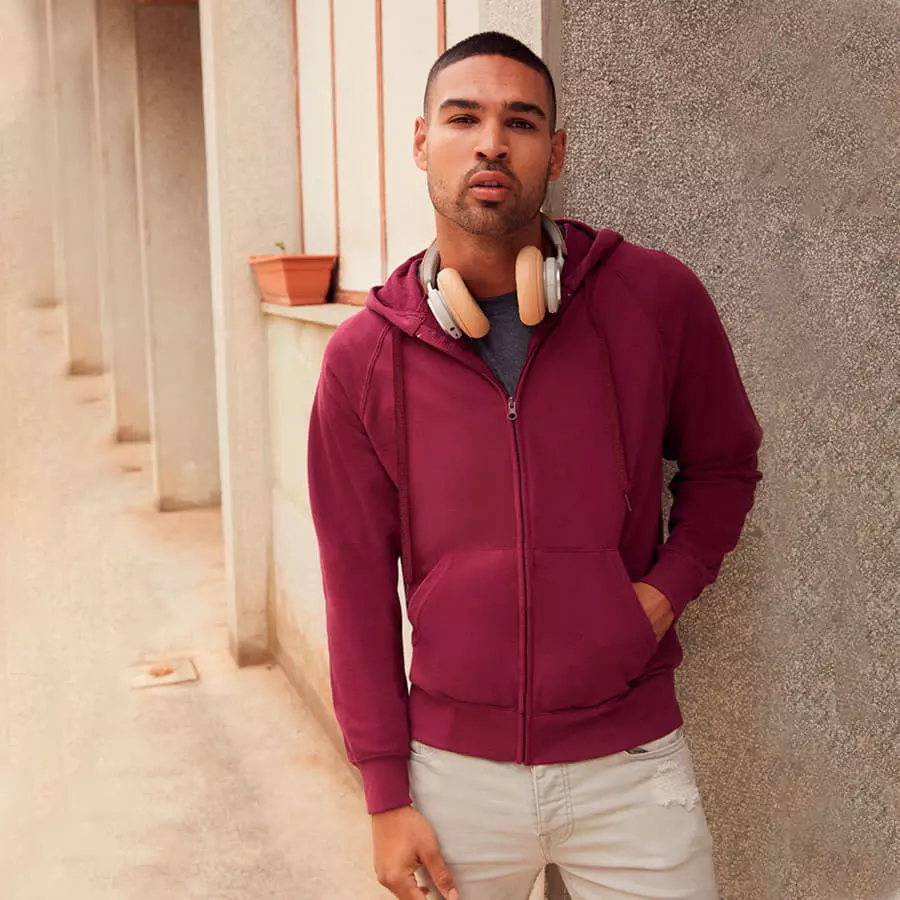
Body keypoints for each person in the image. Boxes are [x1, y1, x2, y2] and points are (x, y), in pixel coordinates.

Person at [308, 31, 762, 900]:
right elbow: (354, 585)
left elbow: (726, 466)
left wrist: (657, 598)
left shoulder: (655, 299)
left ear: (554, 152)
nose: (491, 142)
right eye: (463, 118)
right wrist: (384, 794)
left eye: (520, 122)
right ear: (420, 142)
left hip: (631, 766)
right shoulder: (363, 357)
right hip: (450, 776)